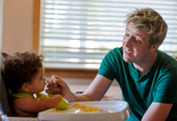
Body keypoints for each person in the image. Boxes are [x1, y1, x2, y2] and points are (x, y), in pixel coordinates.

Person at [46, 8, 177, 121]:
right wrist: (68, 94)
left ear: (154, 46)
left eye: (136, 39)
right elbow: (90, 98)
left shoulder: (169, 72)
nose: (126, 43)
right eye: (126, 34)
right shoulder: (115, 58)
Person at [2, 52, 69, 117]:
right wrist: (56, 99)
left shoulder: (28, 95)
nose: (44, 79)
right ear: (26, 87)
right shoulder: (21, 101)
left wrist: (53, 94)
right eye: (40, 78)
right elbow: (43, 105)